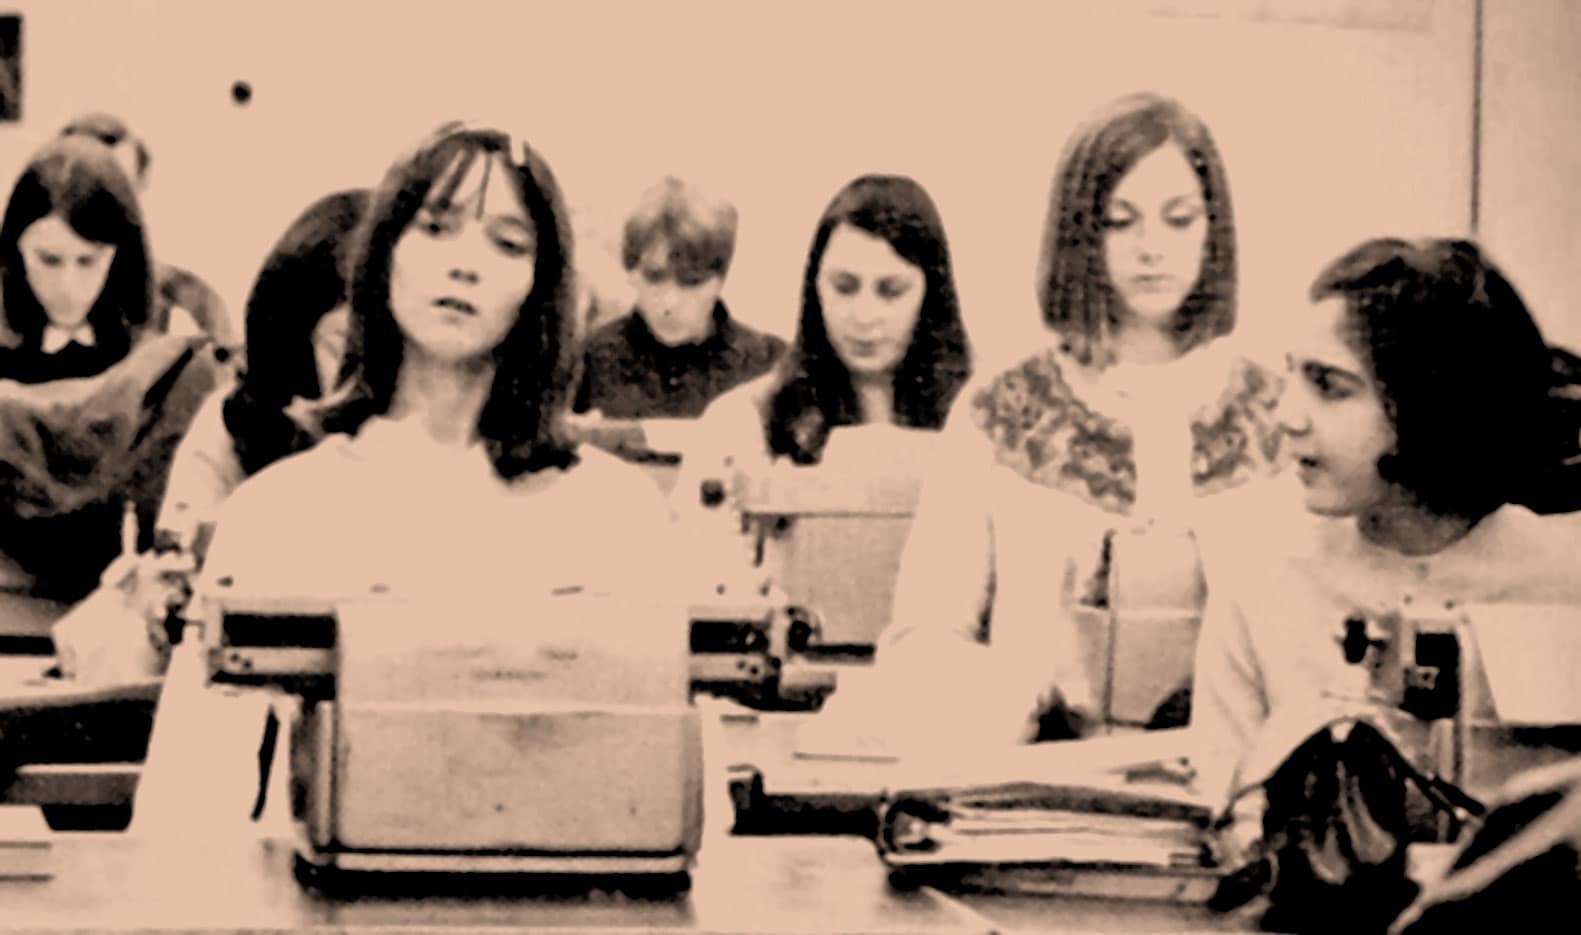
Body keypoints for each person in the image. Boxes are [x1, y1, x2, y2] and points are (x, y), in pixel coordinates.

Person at [131, 122, 686, 832]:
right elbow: (188, 797)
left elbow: (683, 800)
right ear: (384, 255)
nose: (465, 264)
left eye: (508, 243)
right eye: (437, 227)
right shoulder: (277, 512)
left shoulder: (617, 514)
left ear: (541, 289)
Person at [827, 92, 1283, 750]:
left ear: (1213, 229)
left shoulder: (1277, 414)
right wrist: (1019, 688)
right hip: (1041, 791)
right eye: (1118, 222)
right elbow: (922, 633)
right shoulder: (1000, 408)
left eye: (1178, 220)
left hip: (1235, 797)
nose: (1150, 247)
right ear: (1079, 232)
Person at [1189, 237, 1581, 822]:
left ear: (1429, 403)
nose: (1285, 417)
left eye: (1329, 386)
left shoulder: (1567, 576)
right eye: (1291, 376)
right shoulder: (1261, 570)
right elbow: (1220, 815)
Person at [0, 136, 220, 606]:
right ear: (14, 246)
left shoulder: (172, 348)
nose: (68, 286)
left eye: (88, 261)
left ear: (122, 252)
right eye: (48, 259)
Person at [686, 173, 971, 477]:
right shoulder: (741, 422)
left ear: (932, 294)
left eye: (891, 291)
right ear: (815, 287)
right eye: (844, 287)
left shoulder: (982, 414)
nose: (864, 315)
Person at [156, 187, 370, 554]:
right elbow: (176, 569)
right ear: (296, 340)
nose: (371, 372)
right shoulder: (234, 424)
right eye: (343, 347)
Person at [571, 176, 784, 422]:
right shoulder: (582, 363)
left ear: (720, 279)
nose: (670, 302)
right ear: (630, 272)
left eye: (691, 281)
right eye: (654, 277)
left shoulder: (771, 365)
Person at [59, 112, 235, 351]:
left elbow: (225, 369)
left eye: (120, 189)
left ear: (140, 188)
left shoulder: (188, 298)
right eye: (85, 186)